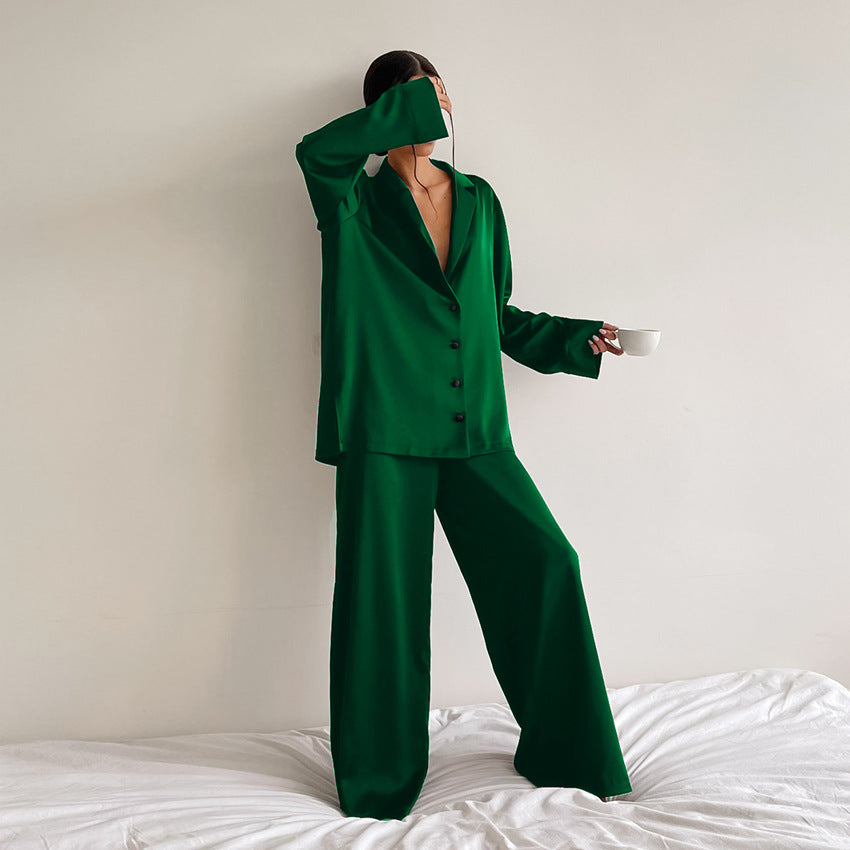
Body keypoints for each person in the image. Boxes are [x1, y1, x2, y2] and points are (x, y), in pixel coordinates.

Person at [294, 49, 629, 821]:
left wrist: (576, 339)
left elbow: (494, 312)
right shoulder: (350, 198)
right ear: (386, 110)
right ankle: (380, 785)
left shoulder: (480, 199)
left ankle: (568, 752)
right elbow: (316, 150)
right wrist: (405, 111)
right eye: (418, 98)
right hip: (383, 429)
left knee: (548, 563)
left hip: (473, 425)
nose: (438, 107)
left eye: (441, 93)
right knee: (381, 607)